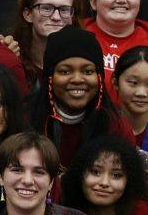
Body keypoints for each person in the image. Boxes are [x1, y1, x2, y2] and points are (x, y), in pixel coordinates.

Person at [28, 24, 111, 174]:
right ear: (50, 77)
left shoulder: (115, 125)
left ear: (99, 77)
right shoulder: (25, 120)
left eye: (88, 71)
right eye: (65, 71)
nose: (77, 79)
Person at [9, 0, 82, 96]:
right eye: (46, 8)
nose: (56, 17)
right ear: (28, 14)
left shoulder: (84, 62)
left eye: (64, 10)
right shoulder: (12, 59)